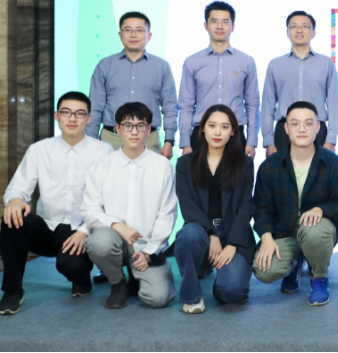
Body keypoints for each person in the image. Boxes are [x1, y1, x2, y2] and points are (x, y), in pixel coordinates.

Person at [0, 92, 113, 315]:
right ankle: (12, 291)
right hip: (47, 228)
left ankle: (81, 277)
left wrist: (85, 230)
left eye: (79, 113)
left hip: (81, 229)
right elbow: (17, 188)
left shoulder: (104, 151)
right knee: (12, 218)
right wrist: (15, 200)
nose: (72, 118)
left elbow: (108, 201)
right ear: (56, 116)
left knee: (71, 265)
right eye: (66, 112)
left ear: (89, 119)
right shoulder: (39, 150)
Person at [81, 102, 178, 309]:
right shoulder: (102, 165)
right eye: (127, 126)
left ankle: (140, 274)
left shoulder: (163, 166)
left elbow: (167, 214)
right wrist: (116, 225)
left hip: (147, 244)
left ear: (149, 129)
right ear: (117, 129)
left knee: (158, 299)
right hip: (114, 239)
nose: (134, 132)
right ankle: (118, 282)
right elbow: (89, 209)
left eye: (140, 125)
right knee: (99, 243)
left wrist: (149, 252)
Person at [252, 101, 338, 307]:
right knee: (264, 270)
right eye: (295, 124)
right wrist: (266, 238)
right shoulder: (270, 166)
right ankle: (294, 263)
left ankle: (319, 278)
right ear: (286, 128)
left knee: (314, 230)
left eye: (308, 123)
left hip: (317, 232)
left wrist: (321, 210)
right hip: (284, 233)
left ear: (318, 127)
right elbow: (261, 208)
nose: (302, 129)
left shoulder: (333, 163)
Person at [174, 105, 256, 314]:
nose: (217, 132)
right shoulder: (185, 163)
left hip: (232, 234)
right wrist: (211, 234)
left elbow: (246, 206)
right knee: (189, 234)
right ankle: (192, 295)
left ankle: (220, 279)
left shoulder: (244, 164)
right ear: (203, 128)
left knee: (231, 291)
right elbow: (187, 206)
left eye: (224, 127)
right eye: (212, 126)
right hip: (201, 233)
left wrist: (233, 244)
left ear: (233, 131)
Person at [85, 11, 178, 158]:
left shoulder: (162, 67)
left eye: (139, 30)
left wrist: (169, 141)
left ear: (149, 35)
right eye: (127, 30)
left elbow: (170, 107)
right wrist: (90, 142)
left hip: (148, 138)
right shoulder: (105, 65)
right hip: (112, 138)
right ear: (120, 34)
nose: (133, 35)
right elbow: (95, 107)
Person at [179, 1, 260, 158]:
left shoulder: (246, 61)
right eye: (214, 21)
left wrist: (251, 140)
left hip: (235, 133)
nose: (219, 26)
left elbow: (252, 104)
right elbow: (186, 105)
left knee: (236, 174)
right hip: (201, 133)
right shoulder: (192, 62)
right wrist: (185, 143)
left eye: (225, 22)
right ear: (206, 25)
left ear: (233, 27)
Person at [262, 11, 338, 156]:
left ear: (313, 32)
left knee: (319, 171)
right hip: (284, 131)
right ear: (287, 32)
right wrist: (269, 141)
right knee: (282, 171)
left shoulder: (326, 63)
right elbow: (267, 106)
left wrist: (331, 139)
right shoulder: (275, 65)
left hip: (317, 130)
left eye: (304, 26)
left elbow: (334, 105)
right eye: (293, 26)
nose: (299, 30)